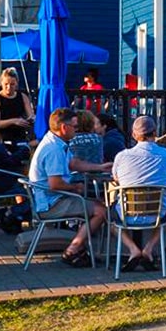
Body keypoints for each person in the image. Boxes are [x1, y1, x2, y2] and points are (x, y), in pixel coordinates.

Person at [28, 107, 109, 268]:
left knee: (96, 205)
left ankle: (81, 249)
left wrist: (100, 167)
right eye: (75, 126)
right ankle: (73, 249)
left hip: (52, 198)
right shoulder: (54, 150)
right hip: (51, 203)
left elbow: (74, 163)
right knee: (101, 211)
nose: (77, 129)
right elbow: (55, 184)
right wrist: (75, 188)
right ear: (64, 128)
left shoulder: (56, 142)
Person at [110, 115, 166, 271]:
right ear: (155, 133)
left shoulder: (122, 156)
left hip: (127, 214)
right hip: (157, 213)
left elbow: (116, 179)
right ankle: (148, 249)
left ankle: (133, 250)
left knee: (111, 221)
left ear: (134, 135)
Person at [0, 68, 36, 149]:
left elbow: (31, 116)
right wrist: (14, 121)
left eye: (12, 84)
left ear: (16, 83)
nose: (9, 87)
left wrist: (31, 120)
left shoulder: (23, 97)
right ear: (1, 83)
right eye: (6, 84)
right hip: (1, 139)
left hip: (20, 138)